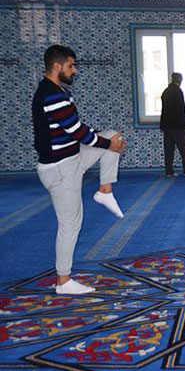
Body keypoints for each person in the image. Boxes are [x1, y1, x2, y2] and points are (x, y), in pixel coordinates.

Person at [32, 45, 127, 295]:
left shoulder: (58, 92)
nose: (74, 70)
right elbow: (77, 132)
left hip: (73, 158)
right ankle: (63, 281)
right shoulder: (51, 95)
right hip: (60, 169)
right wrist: (107, 145)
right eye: (71, 66)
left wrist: (108, 142)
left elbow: (77, 128)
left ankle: (105, 191)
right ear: (57, 66)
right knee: (70, 224)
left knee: (112, 136)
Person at [160, 72, 185, 177]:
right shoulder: (177, 92)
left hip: (166, 125)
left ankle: (169, 171)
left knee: (168, 150)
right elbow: (181, 110)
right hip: (176, 126)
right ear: (180, 80)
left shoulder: (166, 91)